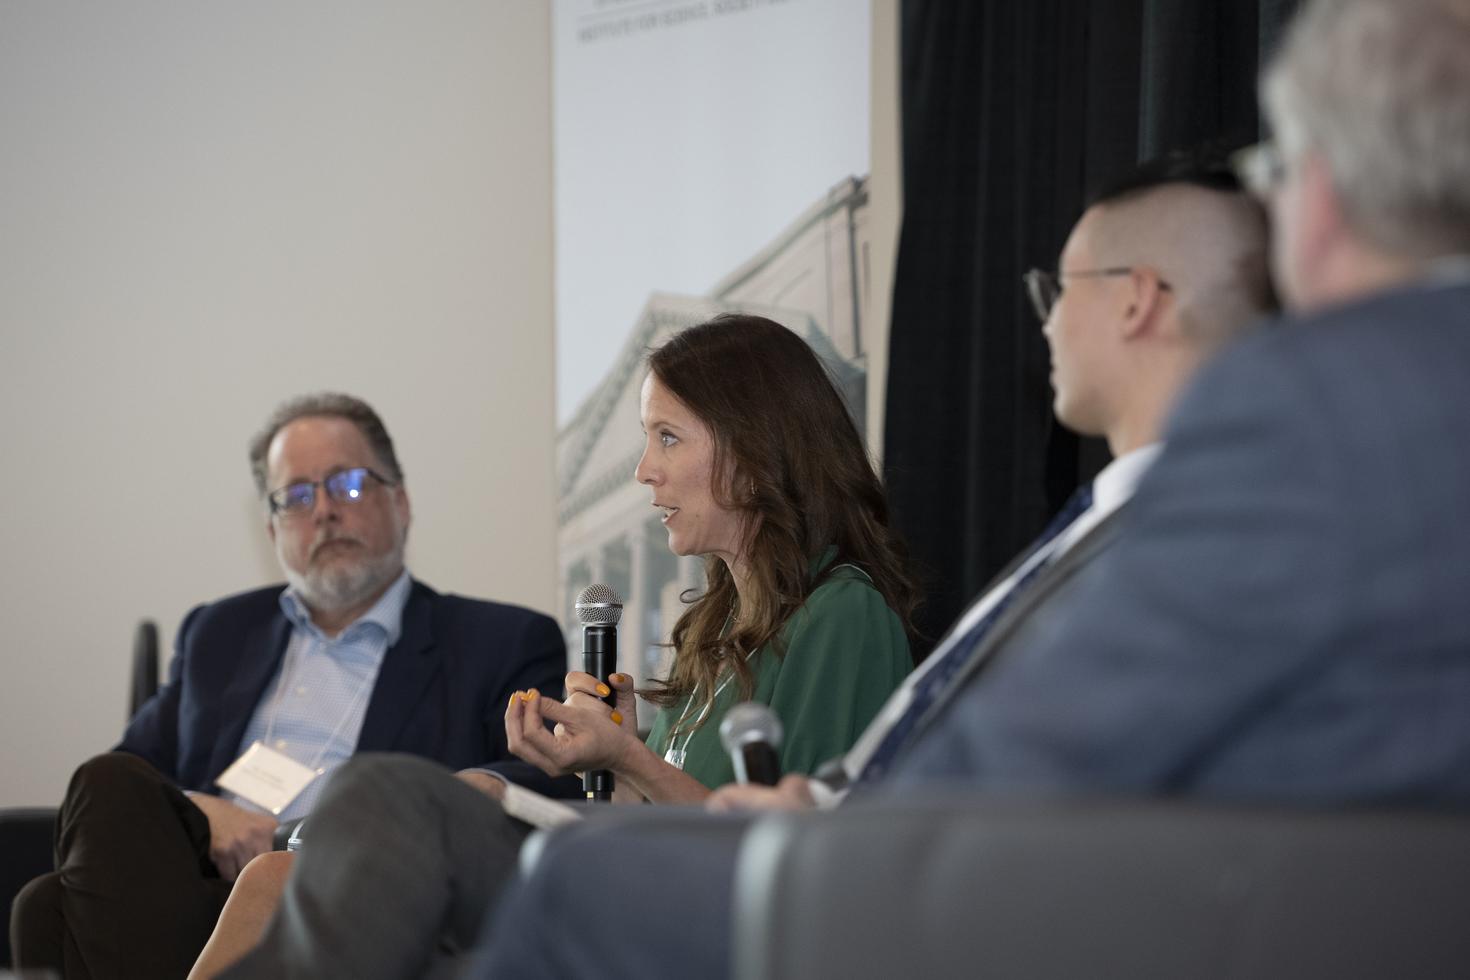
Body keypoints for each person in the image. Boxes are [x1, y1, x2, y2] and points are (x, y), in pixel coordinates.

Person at [467, 0, 1470, 975]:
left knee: (561, 880)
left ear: (1315, 194)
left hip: (980, 884)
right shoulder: (1297, 442)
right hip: (949, 850)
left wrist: (822, 829)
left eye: (1059, 289)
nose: (1046, 319)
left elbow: (1062, 737)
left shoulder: (1307, 423)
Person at [201, 314, 919, 979]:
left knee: (385, 793)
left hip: (693, 935)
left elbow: (799, 865)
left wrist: (626, 759)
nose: (644, 469)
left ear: (755, 447)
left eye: (668, 437)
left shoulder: (841, 614)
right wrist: (612, 760)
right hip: (629, 895)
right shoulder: (718, 631)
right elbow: (661, 821)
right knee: (273, 877)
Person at [8, 392, 571, 980]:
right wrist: (206, 812)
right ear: (272, 526)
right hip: (195, 895)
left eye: (348, 484)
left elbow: (550, 777)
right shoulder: (219, 632)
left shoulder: (499, 640)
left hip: (343, 905)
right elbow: (129, 783)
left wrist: (437, 800)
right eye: (297, 496)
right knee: (100, 786)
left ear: (400, 502)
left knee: (46, 909)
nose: (323, 511)